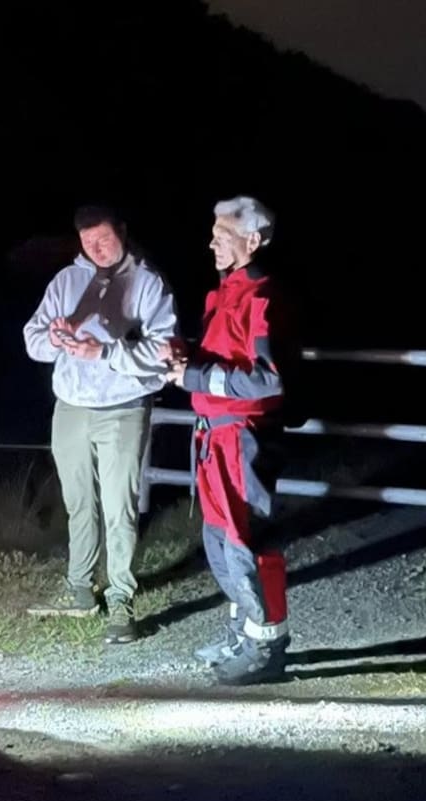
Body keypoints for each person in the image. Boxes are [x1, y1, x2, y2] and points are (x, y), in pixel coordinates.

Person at [22, 204, 178, 644]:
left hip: (123, 406)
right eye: (88, 243)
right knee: (77, 500)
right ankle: (80, 588)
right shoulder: (66, 281)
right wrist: (53, 339)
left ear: (123, 233)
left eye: (104, 239)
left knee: (119, 504)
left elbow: (164, 352)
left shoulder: (149, 283)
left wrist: (106, 352)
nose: (97, 249)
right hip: (70, 405)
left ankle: (121, 598)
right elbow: (33, 339)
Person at [166, 196, 296, 685]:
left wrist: (195, 376)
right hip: (216, 439)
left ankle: (267, 650)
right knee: (220, 541)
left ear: (252, 241)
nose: (212, 242)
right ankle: (245, 635)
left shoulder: (263, 297)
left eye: (222, 234)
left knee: (245, 541)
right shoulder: (224, 294)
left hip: (243, 440)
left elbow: (267, 381)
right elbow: (224, 356)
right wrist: (189, 354)